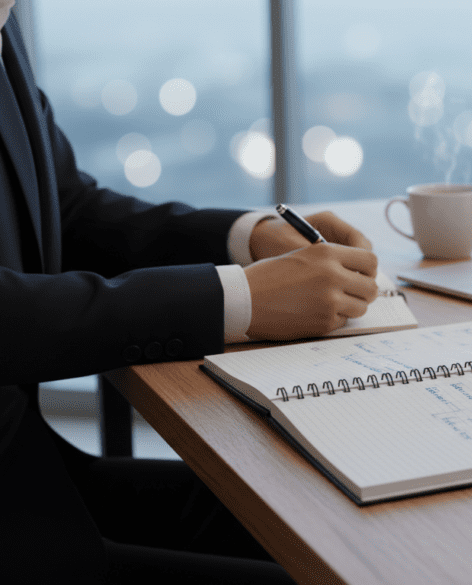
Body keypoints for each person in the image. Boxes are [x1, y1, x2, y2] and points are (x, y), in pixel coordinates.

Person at [0, 8, 376, 584]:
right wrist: (242, 299)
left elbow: (67, 206)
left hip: (38, 473)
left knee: (351, 518)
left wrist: (246, 239)